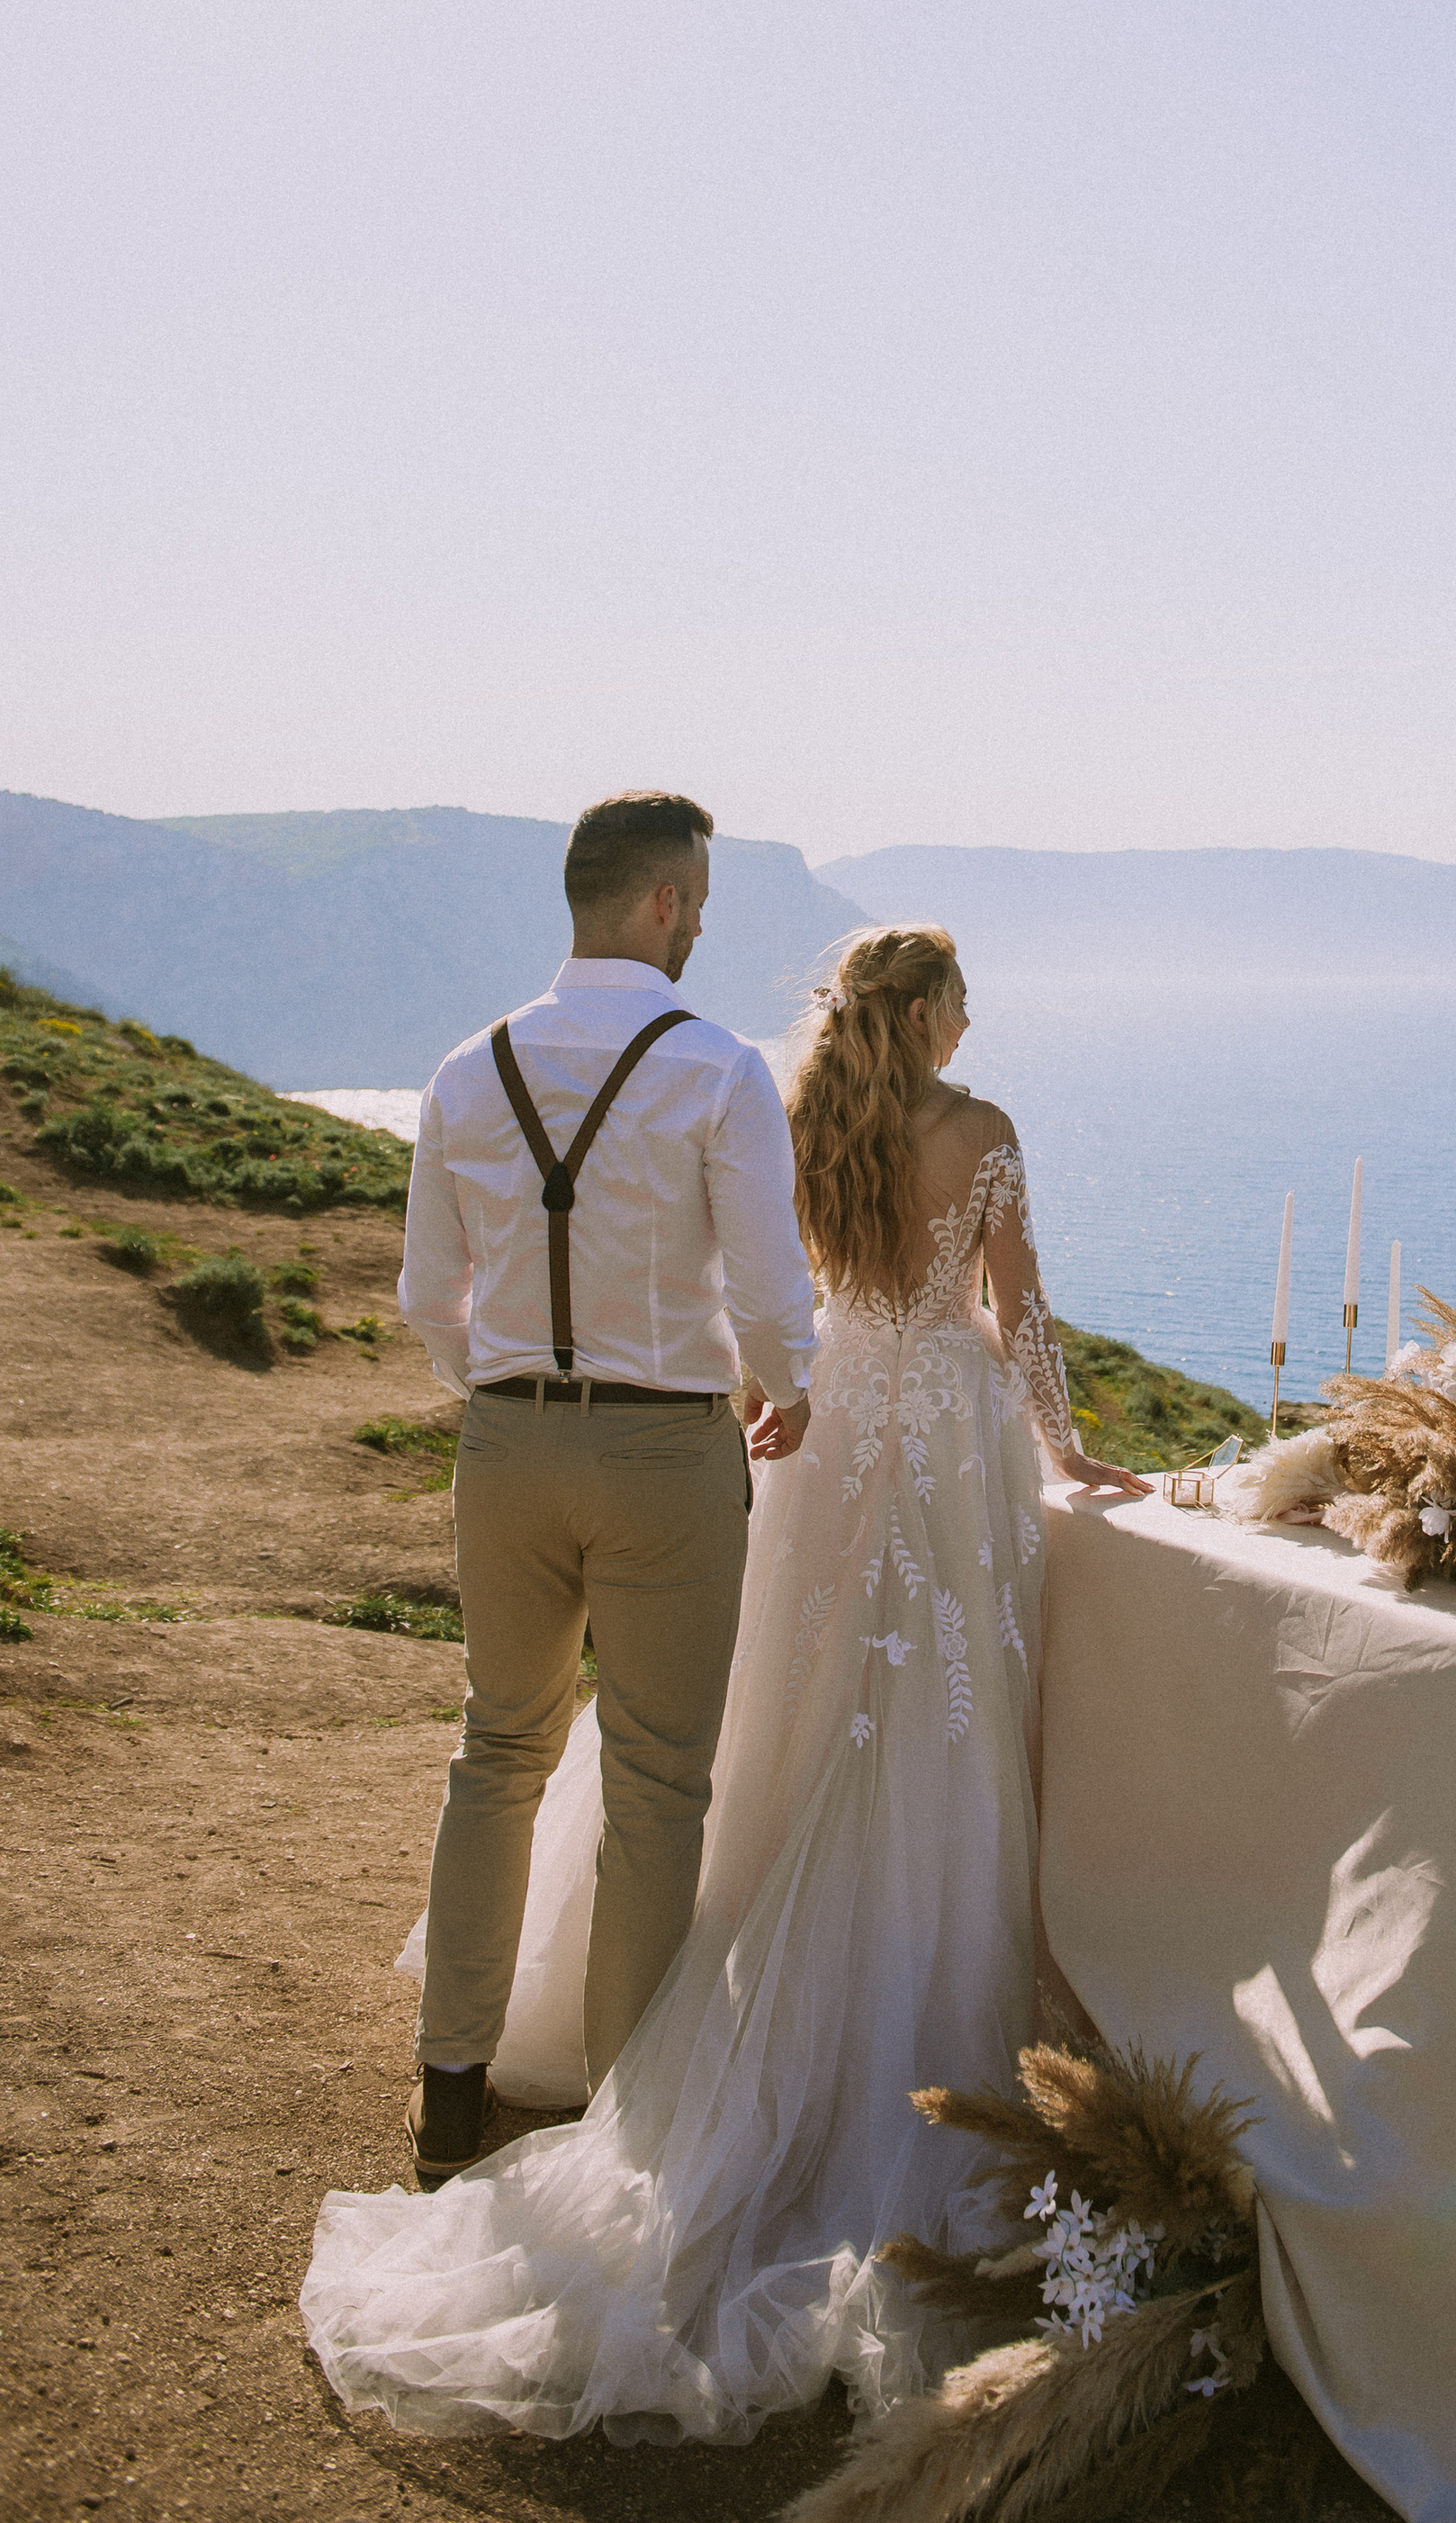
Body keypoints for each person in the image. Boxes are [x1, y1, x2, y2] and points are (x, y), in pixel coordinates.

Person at [301, 922, 1148, 2444]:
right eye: (962, 997)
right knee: (935, 1719)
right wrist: (1066, 1450)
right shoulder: (984, 1132)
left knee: (775, 1711)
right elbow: (1016, 1310)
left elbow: (768, 1282)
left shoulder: (809, 1115)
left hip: (824, 1420)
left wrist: (765, 1387)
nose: (973, 1019)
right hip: (947, 1436)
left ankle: (604, 2019)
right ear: (927, 1010)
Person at [393, 788, 818, 2179]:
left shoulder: (467, 1069)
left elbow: (428, 1297)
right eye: (697, 899)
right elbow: (768, 1289)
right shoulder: (720, 1069)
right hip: (665, 1453)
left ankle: (450, 2083)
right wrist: (789, 1385)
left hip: (507, 1446)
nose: (701, 923)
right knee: (654, 1782)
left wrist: (505, 1389)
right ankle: (624, 2116)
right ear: (660, 901)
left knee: (496, 1750)